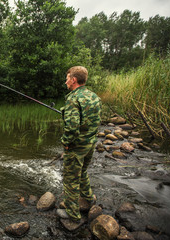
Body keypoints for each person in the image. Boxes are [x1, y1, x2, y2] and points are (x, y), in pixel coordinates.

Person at [58, 66, 102, 230]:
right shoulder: (94, 96)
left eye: (67, 78)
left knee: (70, 180)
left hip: (76, 147)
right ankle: (89, 198)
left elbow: (72, 127)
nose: (66, 81)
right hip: (90, 143)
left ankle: (73, 215)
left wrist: (66, 142)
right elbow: (96, 121)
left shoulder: (73, 99)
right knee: (82, 171)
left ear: (74, 80)